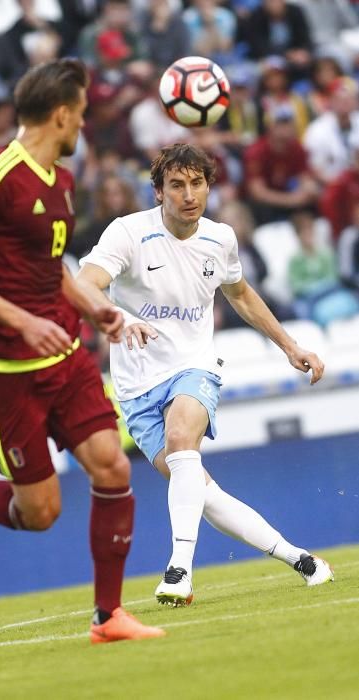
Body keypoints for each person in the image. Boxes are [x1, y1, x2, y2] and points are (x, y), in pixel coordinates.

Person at [0, 58, 164, 645]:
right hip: (6, 370)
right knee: (39, 514)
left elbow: (50, 268)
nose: (83, 128)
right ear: (61, 115)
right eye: (82, 116)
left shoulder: (60, 181)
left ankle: (109, 616)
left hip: (64, 353)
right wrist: (22, 321)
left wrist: (96, 308)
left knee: (113, 465)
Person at [76, 143, 334, 608]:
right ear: (158, 192)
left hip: (193, 367)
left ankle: (179, 570)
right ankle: (302, 560)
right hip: (135, 387)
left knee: (182, 442)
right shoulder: (128, 234)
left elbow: (240, 294)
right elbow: (84, 285)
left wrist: (291, 346)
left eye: (197, 183)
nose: (188, 194)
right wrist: (117, 316)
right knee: (200, 491)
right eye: (177, 184)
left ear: (209, 187)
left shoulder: (220, 239)